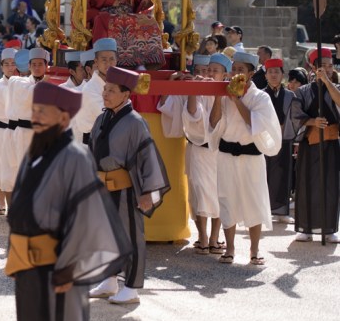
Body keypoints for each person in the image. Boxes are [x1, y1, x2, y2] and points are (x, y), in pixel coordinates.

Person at [6, 80, 131, 321]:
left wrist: (68, 268)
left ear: (63, 119)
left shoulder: (74, 156)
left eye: (43, 111)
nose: (36, 116)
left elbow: (85, 218)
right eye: (35, 110)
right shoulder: (35, 153)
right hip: (27, 263)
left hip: (59, 265)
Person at [88, 67, 170, 305]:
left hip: (126, 188)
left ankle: (132, 287)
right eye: (105, 89)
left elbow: (148, 157)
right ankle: (109, 279)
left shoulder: (135, 122)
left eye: (111, 90)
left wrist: (148, 192)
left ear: (126, 95)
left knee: (130, 236)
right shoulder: (102, 117)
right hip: (102, 185)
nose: (105, 94)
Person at [211, 51, 282, 264]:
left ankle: (254, 250)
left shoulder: (260, 97)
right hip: (226, 154)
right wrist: (218, 97)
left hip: (251, 156)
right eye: (234, 69)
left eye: (241, 70)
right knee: (227, 200)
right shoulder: (224, 93)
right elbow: (213, 122)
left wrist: (237, 100)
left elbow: (256, 124)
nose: (235, 73)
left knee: (254, 201)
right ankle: (230, 248)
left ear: (251, 73)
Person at [160, 54, 224, 255]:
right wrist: (184, 88)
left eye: (210, 71)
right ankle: (202, 236)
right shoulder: (190, 90)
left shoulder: (223, 91)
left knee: (220, 194)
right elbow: (177, 111)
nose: (206, 75)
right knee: (199, 194)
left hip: (219, 151)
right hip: (197, 150)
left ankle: (215, 237)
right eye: (201, 71)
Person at [290, 48, 340, 242]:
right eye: (323, 66)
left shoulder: (336, 87)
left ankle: (329, 228)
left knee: (329, 185)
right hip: (309, 143)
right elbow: (295, 114)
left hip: (331, 143)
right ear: (313, 67)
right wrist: (312, 122)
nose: (327, 69)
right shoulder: (303, 91)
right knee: (306, 183)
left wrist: (327, 83)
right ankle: (306, 227)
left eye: (330, 66)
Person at [263, 58, 296, 224]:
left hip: (284, 139)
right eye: (270, 72)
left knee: (283, 173)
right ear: (266, 75)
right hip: (264, 140)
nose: (274, 75)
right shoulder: (261, 95)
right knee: (263, 175)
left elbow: (295, 118)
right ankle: (263, 212)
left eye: (277, 72)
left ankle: (282, 211)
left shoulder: (290, 95)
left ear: (282, 75)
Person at [0, 47, 18, 216]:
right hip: (1, 129)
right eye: (6, 64)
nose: (10, 67)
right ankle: (1, 202)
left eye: (13, 64)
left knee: (15, 165)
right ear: (1, 67)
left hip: (16, 130)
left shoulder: (23, 83)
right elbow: (6, 103)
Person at [72, 38, 117, 145]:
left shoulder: (118, 84)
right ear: (96, 62)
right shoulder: (89, 89)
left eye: (112, 59)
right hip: (93, 145)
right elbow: (107, 116)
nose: (109, 64)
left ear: (116, 61)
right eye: (104, 60)